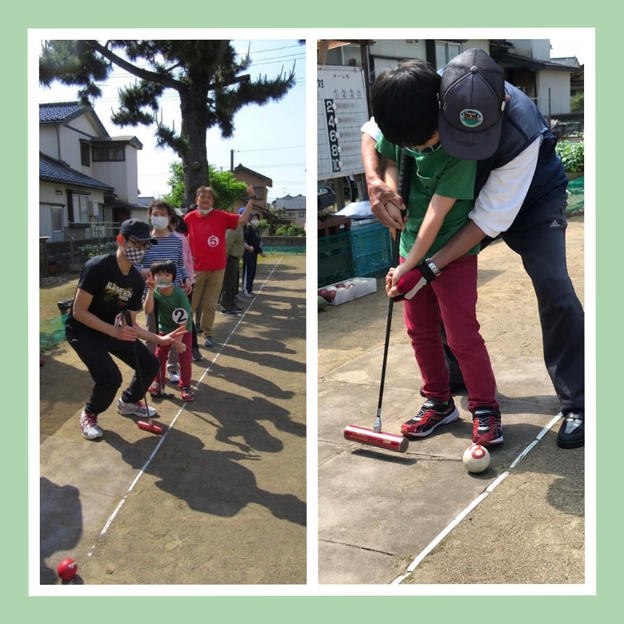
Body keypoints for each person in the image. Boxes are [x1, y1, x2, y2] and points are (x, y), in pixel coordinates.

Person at [361, 48, 585, 449]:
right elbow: (375, 132)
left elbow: (486, 222)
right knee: (432, 314)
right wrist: (376, 180)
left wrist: (424, 267)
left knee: (554, 285)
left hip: (531, 201)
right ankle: (446, 390)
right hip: (459, 206)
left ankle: (580, 400)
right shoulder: (426, 90)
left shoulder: (521, 129)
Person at [369, 59, 502, 446]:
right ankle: (438, 402)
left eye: (423, 141)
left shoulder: (460, 147)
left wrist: (404, 268)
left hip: (452, 254)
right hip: (409, 247)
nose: (419, 147)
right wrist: (391, 191)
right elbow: (391, 157)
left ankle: (484, 406)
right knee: (419, 331)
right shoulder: (401, 127)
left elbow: (434, 216)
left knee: (461, 334)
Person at [65, 219, 186, 440]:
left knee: (150, 364)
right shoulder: (98, 267)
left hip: (113, 329)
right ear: (120, 240)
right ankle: (90, 413)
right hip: (82, 331)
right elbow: (78, 312)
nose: (140, 250)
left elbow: (131, 324)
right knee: (110, 377)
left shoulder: (136, 282)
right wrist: (114, 332)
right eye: (136, 243)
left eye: (145, 245)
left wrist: (160, 339)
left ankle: (129, 402)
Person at [183, 185, 256, 348]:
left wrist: (252, 199)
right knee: (191, 305)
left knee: (210, 304)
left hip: (217, 268)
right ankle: (187, 334)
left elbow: (242, 219)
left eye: (209, 197)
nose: (206, 200)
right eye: (202, 197)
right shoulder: (188, 218)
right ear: (197, 200)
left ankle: (208, 333)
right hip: (196, 269)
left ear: (212, 201)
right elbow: (179, 238)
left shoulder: (221, 216)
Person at [143, 260, 194, 402]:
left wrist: (178, 342)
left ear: (173, 277)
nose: (163, 278)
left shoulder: (179, 294)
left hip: (183, 330)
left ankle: (185, 386)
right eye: (158, 274)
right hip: (164, 329)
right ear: (152, 277)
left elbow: (184, 319)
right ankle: (158, 383)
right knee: (159, 357)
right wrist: (151, 290)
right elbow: (148, 310)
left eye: (166, 274)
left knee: (184, 358)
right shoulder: (155, 291)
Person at [220, 215, 245, 316]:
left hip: (234, 258)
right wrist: (224, 258)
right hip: (229, 258)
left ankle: (231, 304)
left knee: (233, 283)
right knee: (229, 283)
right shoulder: (236, 226)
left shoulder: (241, 226)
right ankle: (226, 307)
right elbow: (227, 242)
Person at [241, 213, 264, 297]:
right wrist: (261, 251)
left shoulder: (256, 230)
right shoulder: (248, 229)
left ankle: (249, 289)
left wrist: (259, 247)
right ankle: (245, 290)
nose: (256, 220)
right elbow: (252, 242)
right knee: (248, 271)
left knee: (252, 272)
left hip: (254, 254)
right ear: (250, 219)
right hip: (248, 254)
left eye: (257, 218)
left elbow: (257, 242)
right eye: (254, 218)